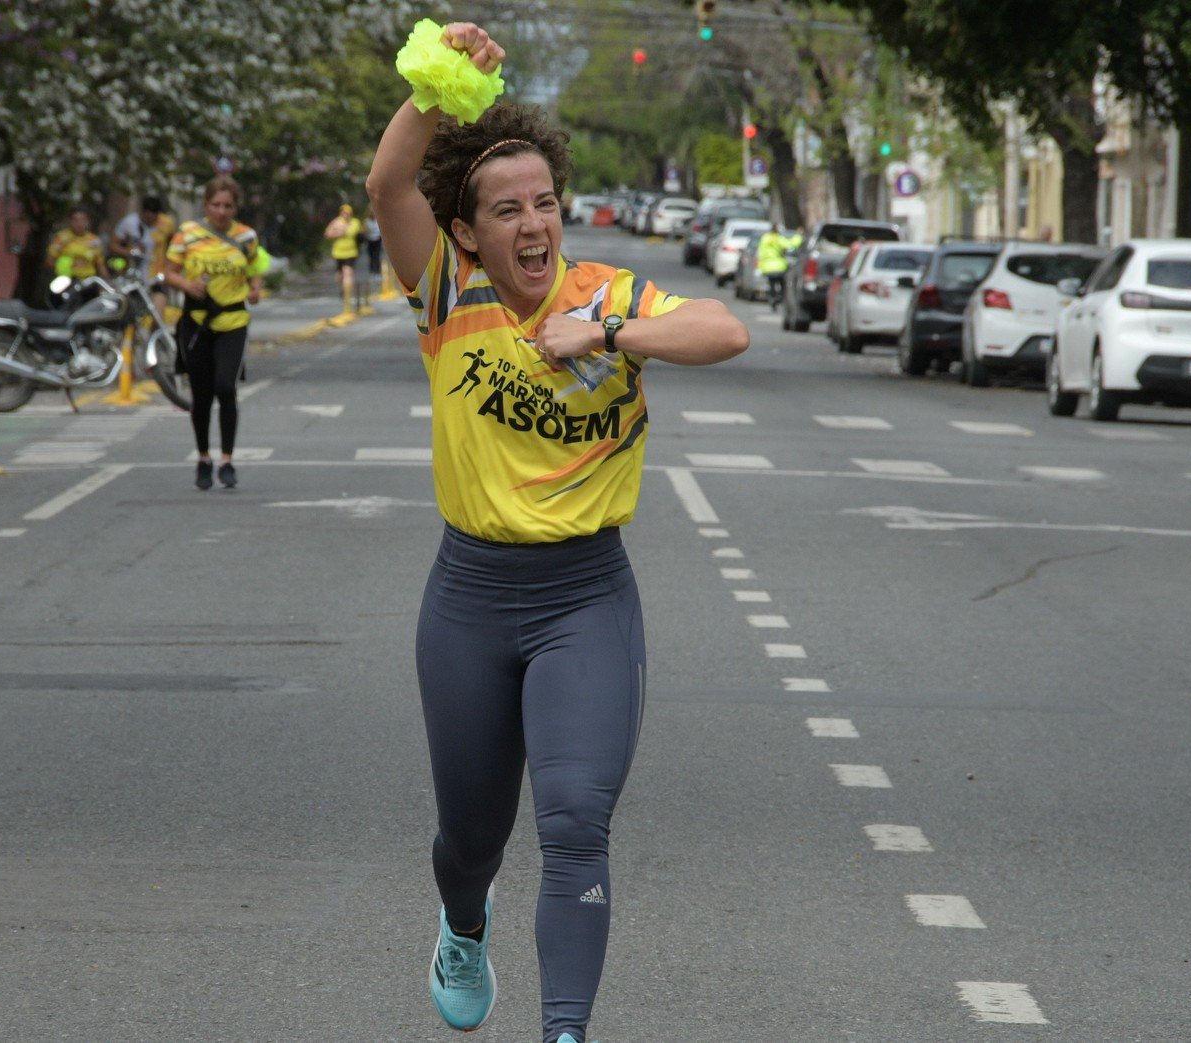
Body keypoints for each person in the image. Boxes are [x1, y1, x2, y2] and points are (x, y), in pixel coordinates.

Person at [366, 21, 748, 1043]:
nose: (532, 224)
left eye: (543, 202)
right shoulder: (446, 294)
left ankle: (564, 1031)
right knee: (470, 836)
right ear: (469, 232)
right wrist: (439, 86)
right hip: (468, 600)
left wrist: (611, 333)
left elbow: (726, 329)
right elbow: (388, 185)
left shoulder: (608, 296)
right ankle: (460, 920)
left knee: (575, 819)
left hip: (585, 596)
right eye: (506, 209)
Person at [161, 176, 262, 491]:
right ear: (206, 206)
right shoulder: (187, 235)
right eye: (216, 205)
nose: (221, 211)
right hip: (196, 323)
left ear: (236, 207)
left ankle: (227, 460)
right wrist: (187, 285)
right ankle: (203, 458)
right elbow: (167, 272)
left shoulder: (246, 237)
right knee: (201, 394)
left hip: (232, 322)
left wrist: (256, 289)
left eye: (228, 206)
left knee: (225, 386)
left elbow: (254, 271)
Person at [45, 206, 108, 282]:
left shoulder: (94, 240)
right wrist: (69, 267)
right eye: (75, 220)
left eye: (82, 220)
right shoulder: (61, 238)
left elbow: (100, 264)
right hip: (64, 280)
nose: (79, 224)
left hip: (87, 281)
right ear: (70, 221)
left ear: (88, 222)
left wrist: (106, 279)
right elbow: (49, 261)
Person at [324, 202, 363, 309]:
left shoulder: (355, 222)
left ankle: (347, 294)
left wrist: (338, 230)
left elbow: (350, 232)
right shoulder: (336, 221)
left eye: (348, 213)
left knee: (348, 272)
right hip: (338, 252)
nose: (346, 215)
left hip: (351, 252)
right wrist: (339, 230)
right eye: (344, 213)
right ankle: (342, 289)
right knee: (339, 275)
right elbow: (328, 234)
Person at [757, 223, 791, 308]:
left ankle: (772, 299)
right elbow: (789, 244)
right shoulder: (779, 238)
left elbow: (760, 253)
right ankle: (781, 299)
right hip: (779, 266)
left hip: (768, 267)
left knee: (771, 285)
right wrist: (799, 236)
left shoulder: (764, 238)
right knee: (782, 284)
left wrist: (760, 266)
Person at [363, 208, 384, 276]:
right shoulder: (366, 221)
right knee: (371, 255)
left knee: (377, 255)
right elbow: (365, 231)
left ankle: (377, 270)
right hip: (370, 240)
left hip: (377, 239)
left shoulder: (378, 220)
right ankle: (372, 270)